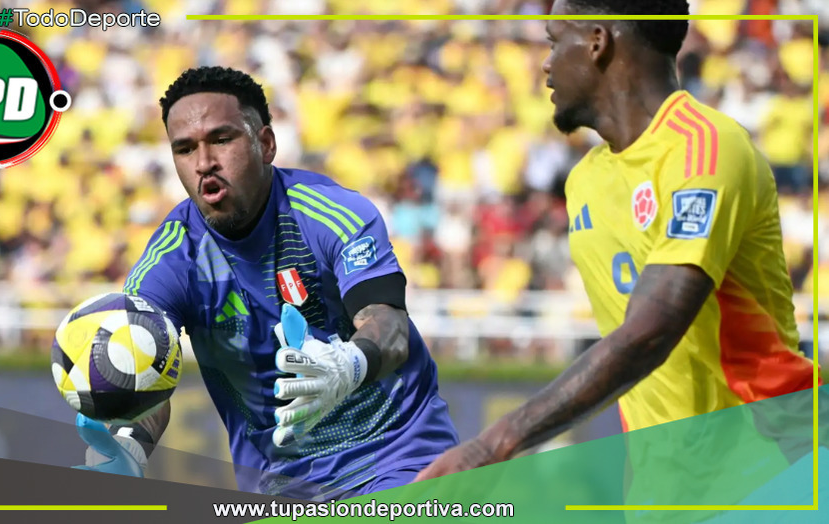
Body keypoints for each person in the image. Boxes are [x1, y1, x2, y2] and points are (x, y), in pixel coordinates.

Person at [416, 0, 817, 485]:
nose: (545, 64)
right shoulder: (584, 181)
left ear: (597, 42)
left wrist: (493, 444)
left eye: (553, 41)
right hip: (663, 494)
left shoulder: (706, 147)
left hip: (770, 471)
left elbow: (653, 328)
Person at [77, 65, 459, 499]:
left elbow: (390, 328)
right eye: (184, 149)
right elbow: (143, 372)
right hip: (284, 487)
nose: (204, 164)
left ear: (266, 144)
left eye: (221, 139)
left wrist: (346, 365)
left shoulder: (334, 213)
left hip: (398, 456)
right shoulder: (170, 261)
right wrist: (128, 445)